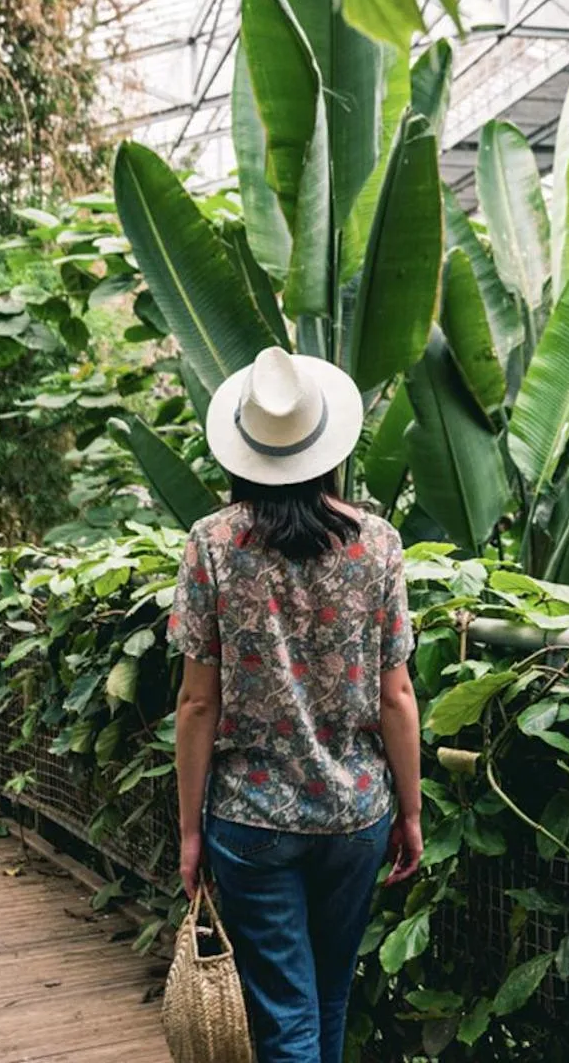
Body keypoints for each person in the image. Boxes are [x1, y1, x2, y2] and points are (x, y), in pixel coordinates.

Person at [169, 346, 424, 1063]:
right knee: (330, 997)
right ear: (324, 445)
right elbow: (396, 695)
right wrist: (408, 811)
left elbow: (196, 704)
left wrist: (189, 833)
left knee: (284, 1014)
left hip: (249, 819)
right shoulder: (376, 544)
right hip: (355, 814)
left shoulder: (211, 545)